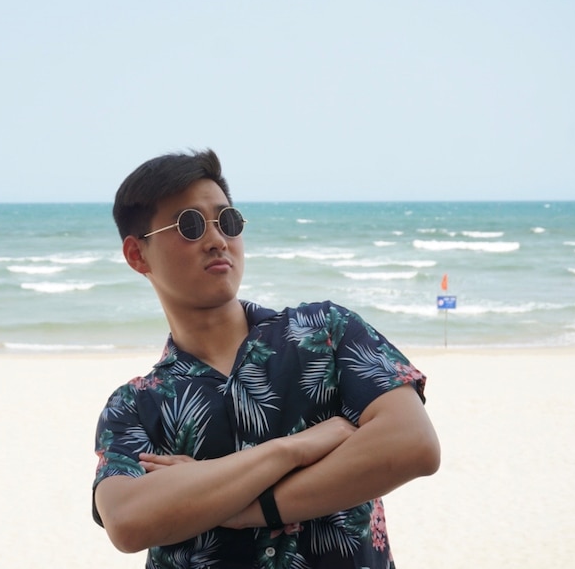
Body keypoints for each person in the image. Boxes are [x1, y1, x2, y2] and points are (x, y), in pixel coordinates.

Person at [92, 149, 440, 568]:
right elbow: (128, 521)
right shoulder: (134, 405)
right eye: (190, 225)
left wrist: (239, 506)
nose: (218, 240)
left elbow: (413, 445)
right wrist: (295, 449)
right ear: (137, 255)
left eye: (228, 221)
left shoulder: (326, 333)